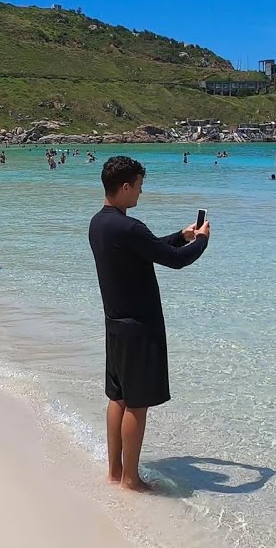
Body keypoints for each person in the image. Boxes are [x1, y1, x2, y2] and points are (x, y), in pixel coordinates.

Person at [88, 156, 210, 492]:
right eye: (139, 187)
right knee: (137, 405)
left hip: (115, 325)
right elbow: (175, 260)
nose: (141, 193)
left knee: (118, 399)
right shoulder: (129, 227)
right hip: (139, 328)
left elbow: (149, 248)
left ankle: (115, 472)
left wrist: (181, 235)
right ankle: (131, 479)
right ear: (125, 187)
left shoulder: (99, 223)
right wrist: (201, 240)